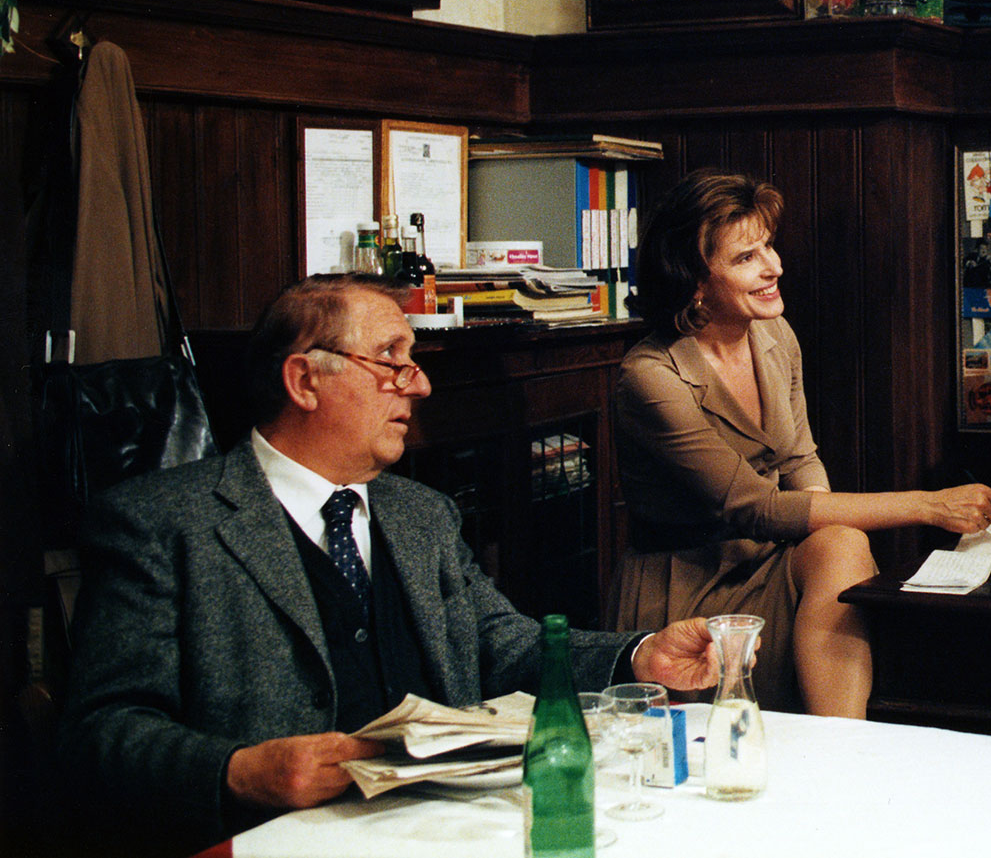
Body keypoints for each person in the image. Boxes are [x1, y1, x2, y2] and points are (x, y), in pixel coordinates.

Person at [57, 275, 720, 856]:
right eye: (392, 362)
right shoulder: (163, 523)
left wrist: (637, 656)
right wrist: (236, 768)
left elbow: (500, 642)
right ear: (304, 380)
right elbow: (100, 733)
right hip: (274, 840)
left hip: (445, 834)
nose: (421, 383)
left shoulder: (420, 513)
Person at [612, 169, 991, 718]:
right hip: (688, 589)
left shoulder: (775, 334)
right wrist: (928, 505)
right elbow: (756, 508)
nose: (773, 265)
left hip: (770, 565)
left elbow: (800, 459)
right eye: (746, 256)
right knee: (841, 540)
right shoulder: (651, 377)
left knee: (842, 543)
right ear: (695, 280)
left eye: (768, 245)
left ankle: (844, 747)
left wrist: (830, 532)